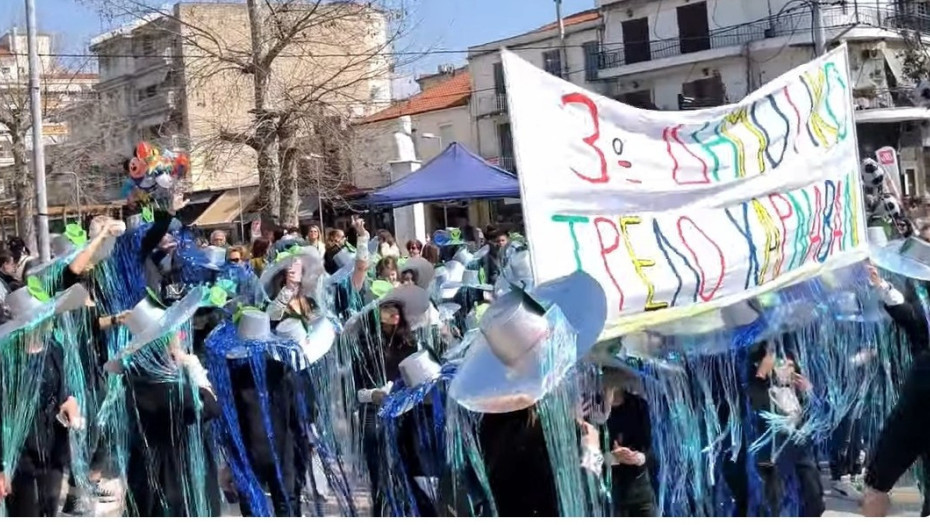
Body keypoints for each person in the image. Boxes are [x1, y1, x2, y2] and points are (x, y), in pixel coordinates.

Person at [861, 264, 930, 516]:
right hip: (920, 397)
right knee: (876, 485)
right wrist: (881, 285)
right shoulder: (920, 301)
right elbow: (909, 314)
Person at [747, 339, 824, 517]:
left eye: (791, 364)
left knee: (813, 495)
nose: (788, 367)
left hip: (799, 449)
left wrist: (808, 391)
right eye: (782, 362)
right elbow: (755, 407)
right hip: (771, 455)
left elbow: (816, 415)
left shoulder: (796, 390)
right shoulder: (760, 388)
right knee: (774, 501)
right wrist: (761, 376)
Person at [600, 367, 655, 517]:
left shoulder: (638, 405)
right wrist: (612, 457)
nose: (612, 379)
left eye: (615, 374)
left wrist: (637, 458)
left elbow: (649, 449)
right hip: (608, 494)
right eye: (608, 374)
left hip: (639, 489)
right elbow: (587, 457)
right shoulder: (593, 409)